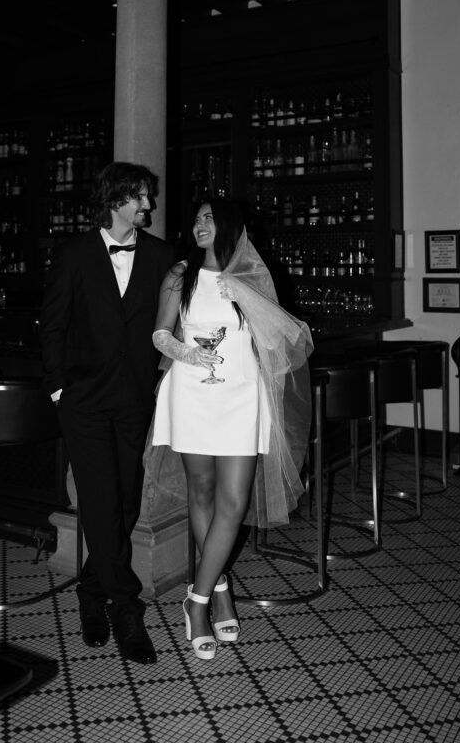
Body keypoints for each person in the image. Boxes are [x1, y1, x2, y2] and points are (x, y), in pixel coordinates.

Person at [148, 198, 312, 660]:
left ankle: (194, 601)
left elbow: (281, 338)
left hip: (240, 396)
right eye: (197, 218)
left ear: (231, 228)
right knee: (200, 492)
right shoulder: (179, 276)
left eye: (209, 218)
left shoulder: (250, 280)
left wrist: (251, 304)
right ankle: (218, 588)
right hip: (191, 394)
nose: (200, 225)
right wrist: (186, 353)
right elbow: (160, 333)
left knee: (233, 502)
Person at [41, 161, 175, 664]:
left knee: (128, 503)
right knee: (99, 501)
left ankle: (91, 591)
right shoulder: (74, 254)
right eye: (141, 196)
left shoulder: (162, 256)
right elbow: (52, 324)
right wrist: (58, 389)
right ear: (116, 198)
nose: (149, 205)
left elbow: (173, 324)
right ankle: (126, 608)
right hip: (83, 402)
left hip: (134, 399)